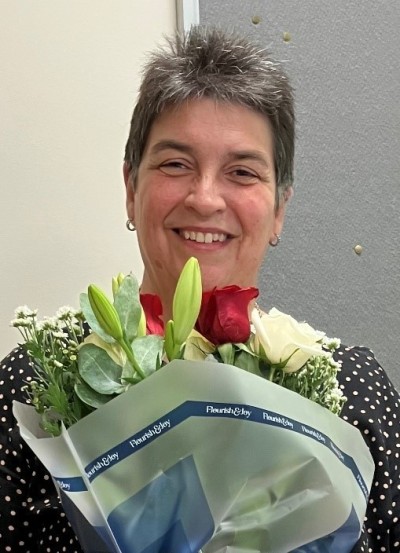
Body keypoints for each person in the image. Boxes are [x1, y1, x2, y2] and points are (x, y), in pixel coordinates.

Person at [0, 26, 398, 553]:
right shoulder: (35, 385)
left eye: (242, 171)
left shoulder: (353, 389)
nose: (206, 198)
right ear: (130, 189)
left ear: (279, 209)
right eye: (175, 164)